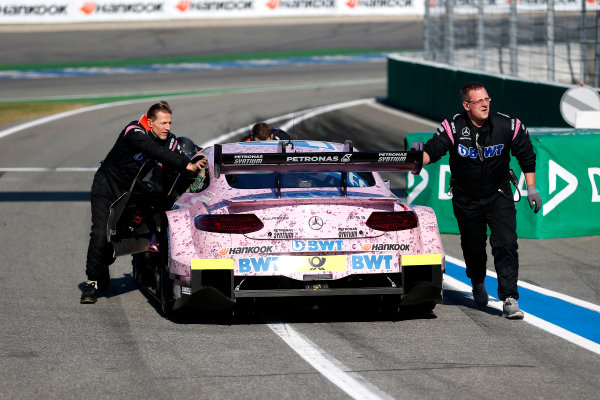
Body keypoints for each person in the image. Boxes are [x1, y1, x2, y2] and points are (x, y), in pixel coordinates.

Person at [418, 82, 542, 319]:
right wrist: (415, 161)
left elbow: (526, 154)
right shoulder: (453, 126)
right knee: (474, 248)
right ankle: (477, 281)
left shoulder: (508, 124)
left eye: (487, 99)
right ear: (467, 105)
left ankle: (509, 298)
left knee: (506, 243)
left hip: (499, 194)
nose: (485, 104)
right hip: (466, 198)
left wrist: (533, 189)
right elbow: (432, 151)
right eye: (479, 101)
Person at [81, 101, 207, 304]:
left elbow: (183, 154)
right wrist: (187, 165)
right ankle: (92, 283)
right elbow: (155, 151)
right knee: (99, 234)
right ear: (150, 122)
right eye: (164, 123)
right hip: (106, 187)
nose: (168, 127)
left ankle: (121, 255)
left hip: (130, 194)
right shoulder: (133, 131)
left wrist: (202, 160)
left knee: (114, 241)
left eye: (170, 123)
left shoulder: (169, 140)